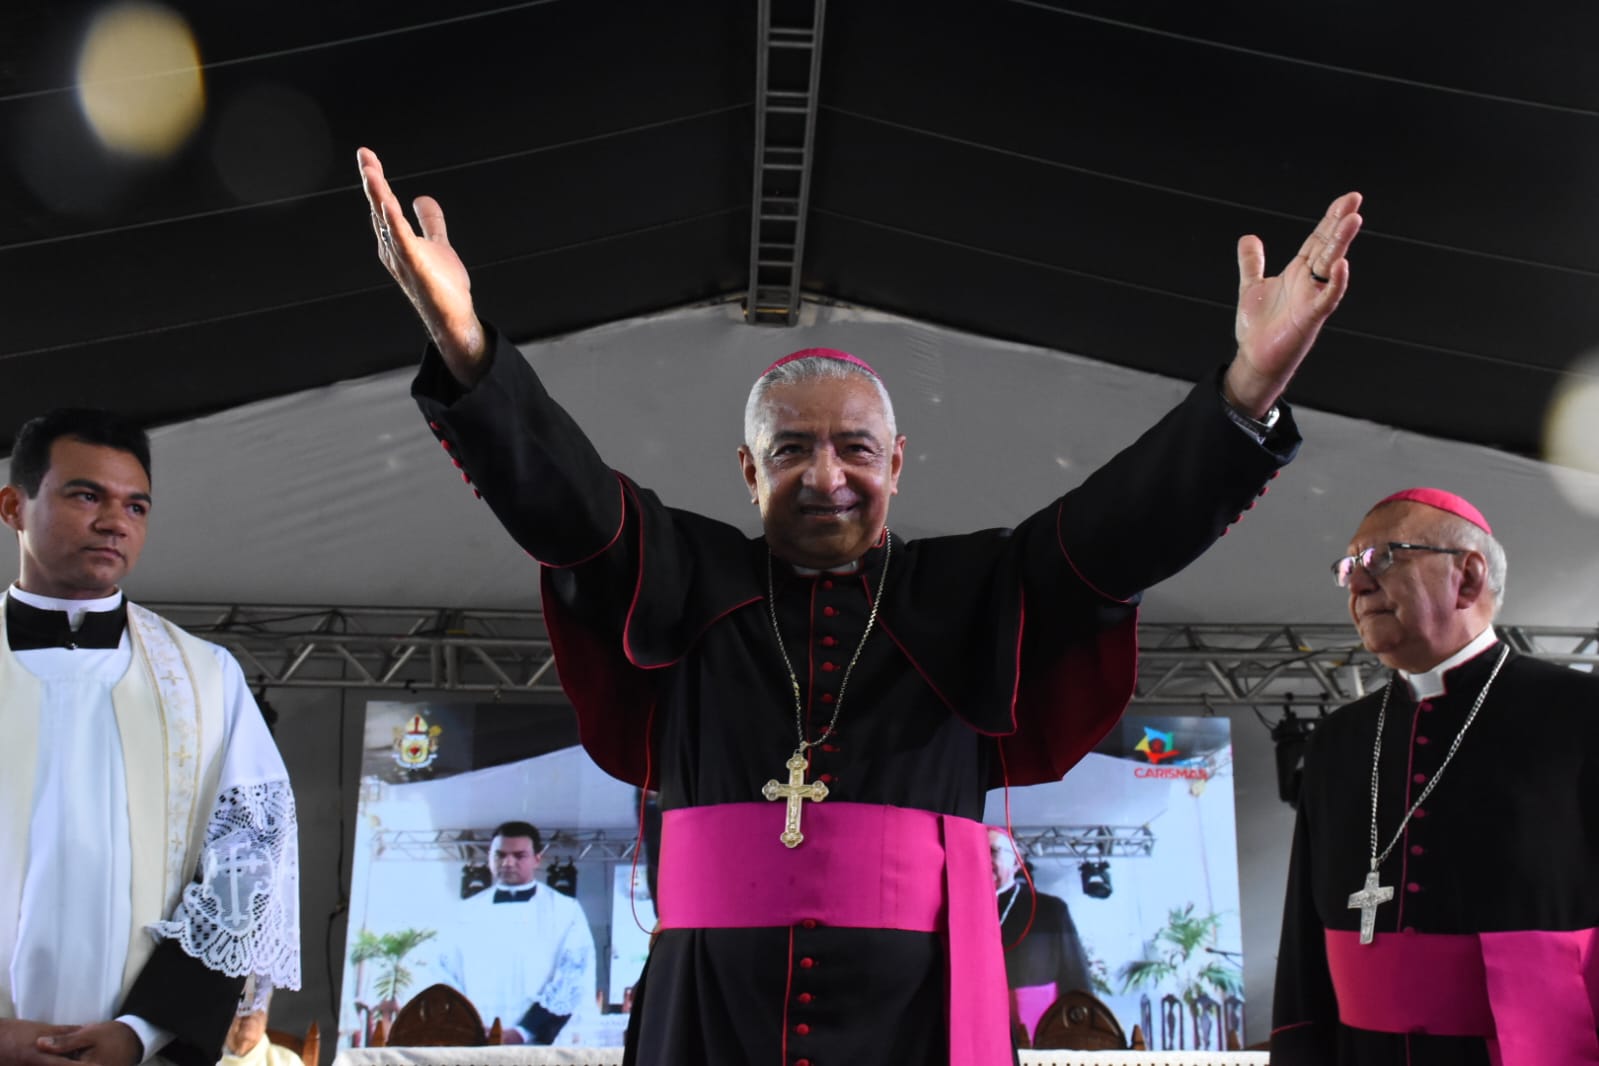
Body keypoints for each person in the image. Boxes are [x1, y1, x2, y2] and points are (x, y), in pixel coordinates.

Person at [357, 145, 1361, 1066]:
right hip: (709, 1013)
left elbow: (1120, 528)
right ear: (748, 468)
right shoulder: (684, 574)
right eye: (791, 449)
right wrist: (467, 342)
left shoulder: (972, 591)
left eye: (856, 449)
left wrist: (1247, 387)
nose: (826, 474)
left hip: (924, 1011)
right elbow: (565, 498)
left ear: (899, 464)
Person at [0, 410, 300, 1066]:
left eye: (136, 506)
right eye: (86, 495)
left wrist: (143, 1030)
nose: (115, 522)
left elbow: (249, 868)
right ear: (13, 506)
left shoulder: (204, 678)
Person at [1270, 488, 1599, 1066]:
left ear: (1468, 578)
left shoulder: (1581, 715)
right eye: (1349, 567)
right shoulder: (1336, 741)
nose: (1357, 584)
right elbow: (1303, 939)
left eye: (1382, 558)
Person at [438, 822, 596, 1045]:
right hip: (476, 1038)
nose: (508, 862)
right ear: (489, 857)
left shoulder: (565, 910)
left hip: (538, 1042)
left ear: (537, 859)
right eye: (500, 855)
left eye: (519, 855)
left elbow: (573, 975)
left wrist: (523, 1032)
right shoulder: (464, 911)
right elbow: (444, 973)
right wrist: (470, 1026)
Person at [989, 830, 1092, 1044]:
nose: (983, 860)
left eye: (992, 852)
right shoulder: (957, 908)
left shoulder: (1050, 910)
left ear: (1017, 862)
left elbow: (1076, 979)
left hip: (1036, 1035)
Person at [217, 982, 302, 1066]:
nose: (250, 1011)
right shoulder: (206, 1057)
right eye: (242, 1000)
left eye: (259, 1001)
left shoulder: (288, 1062)